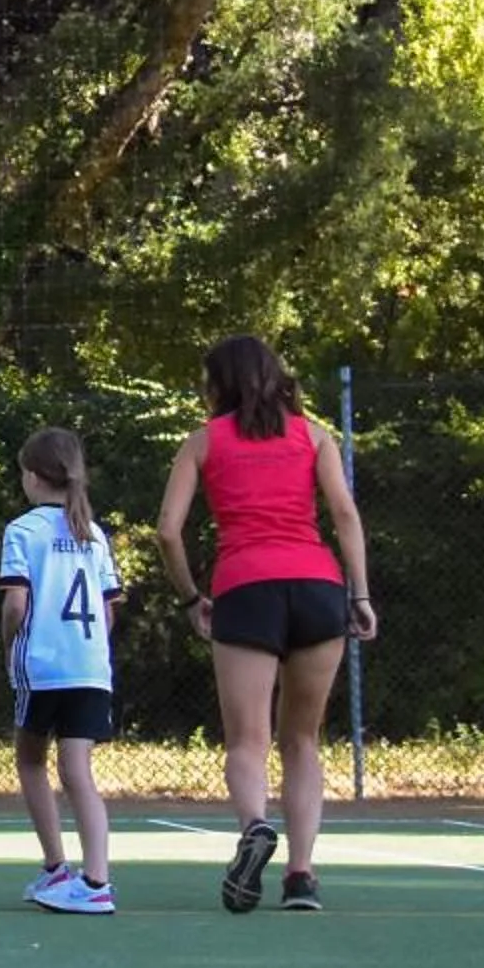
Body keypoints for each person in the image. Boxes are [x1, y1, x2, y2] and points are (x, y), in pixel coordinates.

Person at [155, 334, 376, 915]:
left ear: (218, 384)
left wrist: (191, 598)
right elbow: (345, 513)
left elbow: (168, 531)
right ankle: (301, 876)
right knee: (302, 739)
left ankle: (255, 826)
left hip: (245, 588)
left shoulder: (203, 442)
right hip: (318, 588)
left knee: (247, 740)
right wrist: (360, 594)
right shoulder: (315, 436)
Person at [3, 427, 122, 915]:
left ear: (32, 477)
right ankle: (93, 876)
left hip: (44, 665)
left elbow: (15, 604)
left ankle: (63, 868)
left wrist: (10, 644)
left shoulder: (23, 530)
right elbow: (108, 610)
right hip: (89, 665)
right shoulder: (93, 533)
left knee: (31, 758)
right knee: (78, 771)